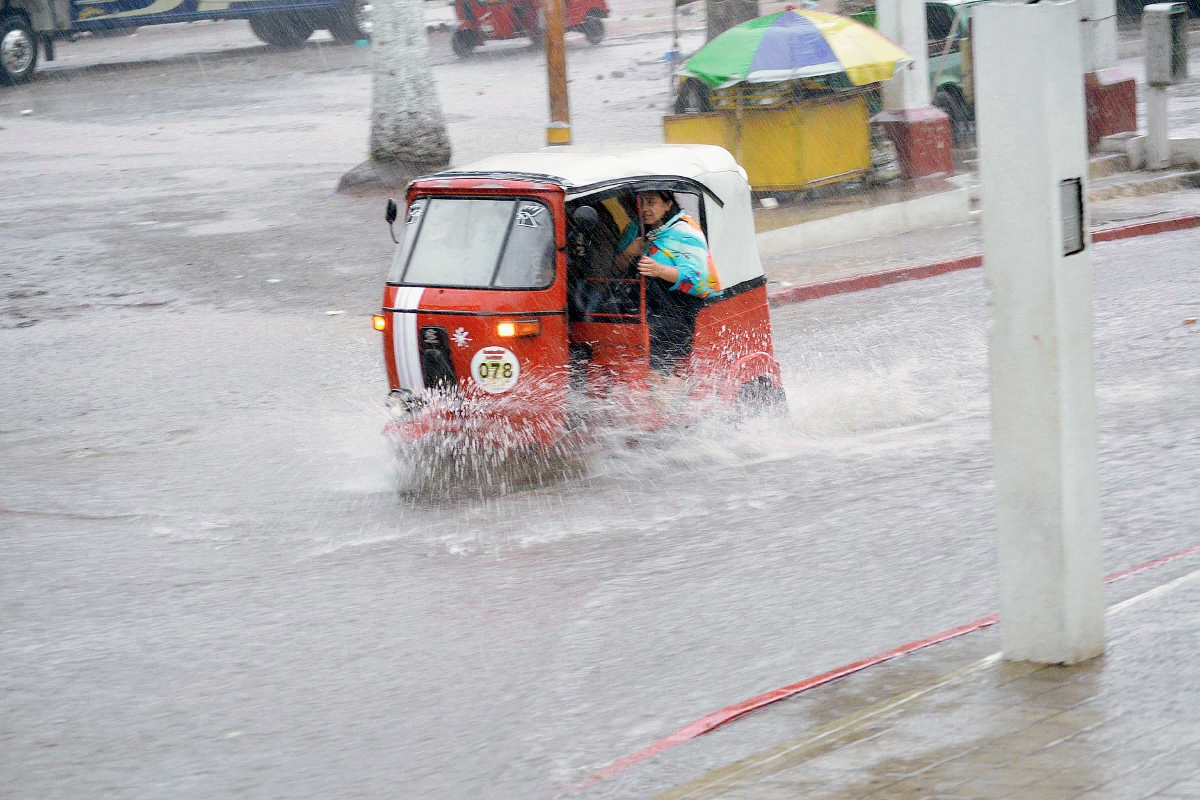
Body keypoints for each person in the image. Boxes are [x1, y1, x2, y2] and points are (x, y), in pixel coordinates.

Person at [616, 190, 721, 376]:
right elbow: (615, 268)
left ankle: (665, 394)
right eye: (641, 203)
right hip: (645, 310)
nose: (645, 209)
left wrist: (659, 270)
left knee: (652, 357)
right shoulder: (636, 230)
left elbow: (699, 280)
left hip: (678, 315)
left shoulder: (685, 232)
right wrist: (629, 253)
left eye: (651, 202)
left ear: (667, 204)